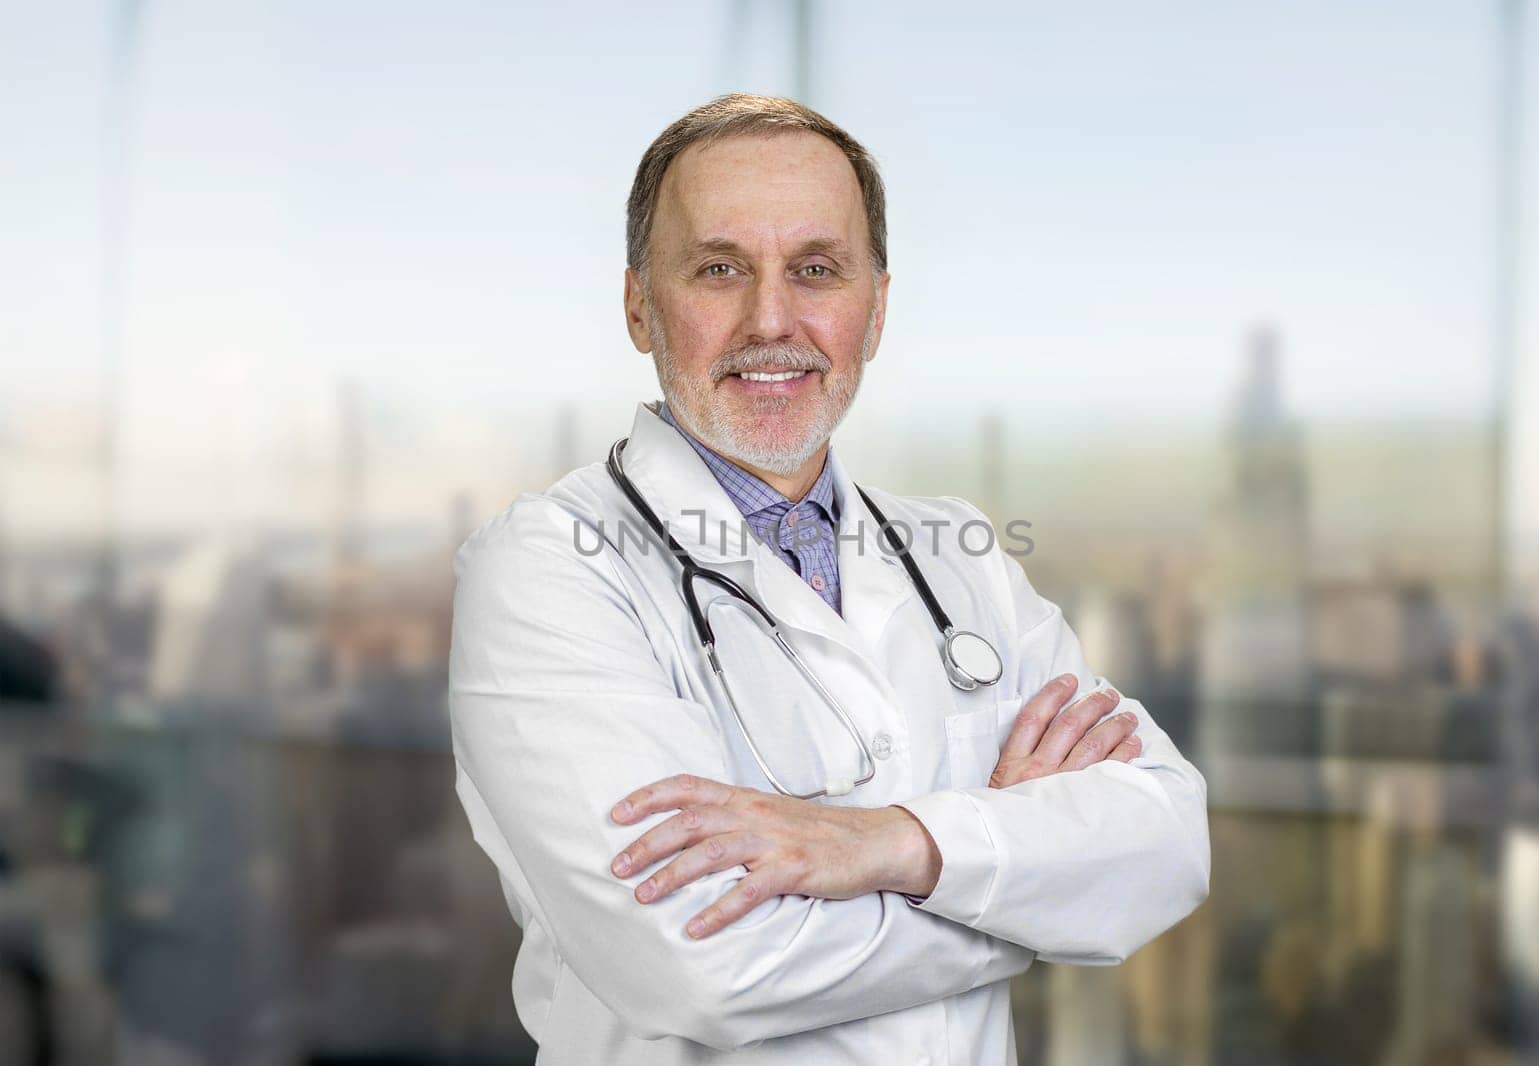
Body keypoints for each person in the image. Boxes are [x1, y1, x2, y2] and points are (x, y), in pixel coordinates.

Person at [448, 92, 1210, 1065]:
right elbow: (702, 966)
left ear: (876, 309)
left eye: (817, 270)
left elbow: (1165, 841)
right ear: (640, 304)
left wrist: (892, 842)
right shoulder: (546, 569)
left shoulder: (958, 556)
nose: (772, 319)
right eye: (719, 268)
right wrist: (1020, 885)